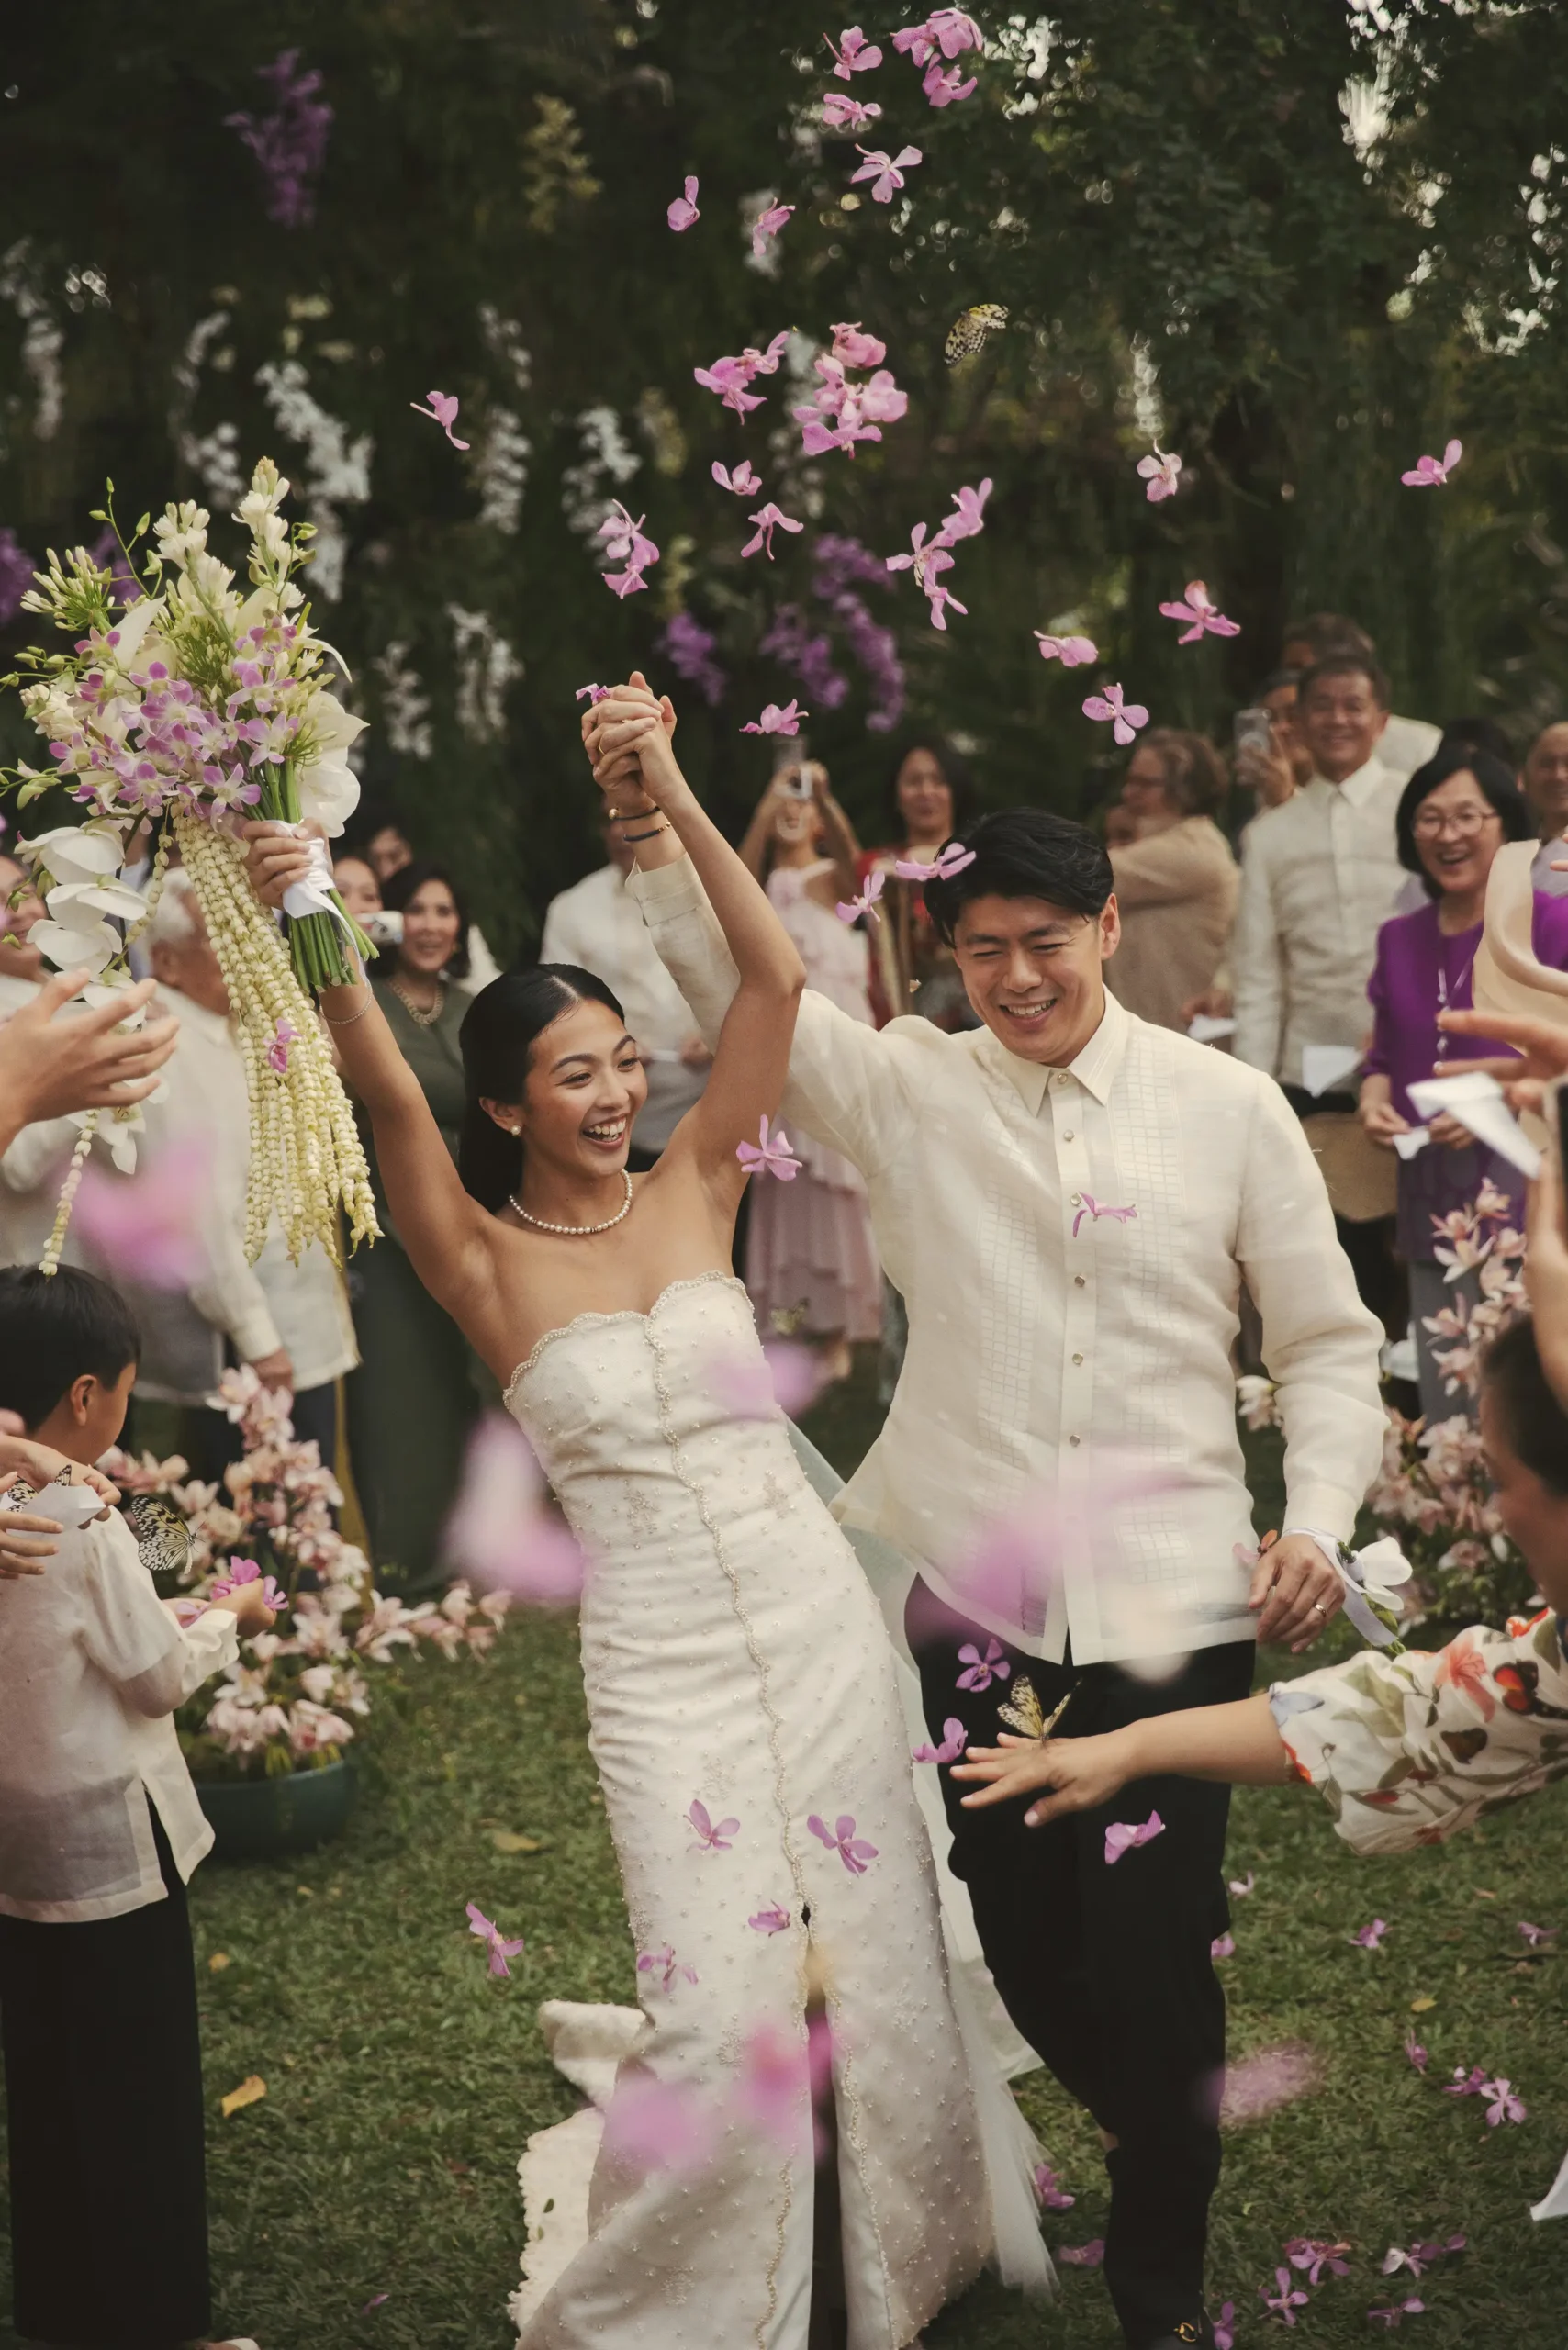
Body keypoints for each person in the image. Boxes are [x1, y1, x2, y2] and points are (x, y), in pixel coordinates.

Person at [611, 674, 1384, 2350]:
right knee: (1031, 1946)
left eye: (1048, 940)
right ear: (944, 962)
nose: (1019, 978)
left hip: (1177, 1609)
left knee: (1156, 1951)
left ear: (1108, 930)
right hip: (974, 1608)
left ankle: (1160, 2275)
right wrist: (663, 808)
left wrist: (1312, 1518)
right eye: (983, 951)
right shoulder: (905, 1089)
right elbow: (741, 981)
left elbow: (1327, 1343)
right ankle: (1150, 2130)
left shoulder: (1228, 1112)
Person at [243, 714, 1016, 2350]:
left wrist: (660, 795)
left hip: (813, 1621)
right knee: (712, 1993)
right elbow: (376, 1072)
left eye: (616, 1062)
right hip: (657, 1657)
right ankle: (670, 2296)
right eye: (571, 1074)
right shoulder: (475, 1259)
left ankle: (900, 2246)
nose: (610, 1093)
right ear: (509, 1104)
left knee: (871, 1942)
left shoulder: (698, 1189)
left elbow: (770, 984)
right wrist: (312, 902)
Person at [953, 1308, 1568, 1865]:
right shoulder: (1551, 1661)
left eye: (1498, 1478)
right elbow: (1402, 1710)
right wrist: (1126, 1750)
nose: (1495, 1511)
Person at [0, 1262, 273, 2350]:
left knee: (50, 2096)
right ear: (84, 1397)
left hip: (18, 1853)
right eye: (121, 1386)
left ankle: (63, 2314)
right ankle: (164, 2330)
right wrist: (228, 1612)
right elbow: (153, 1676)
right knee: (139, 2104)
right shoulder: (81, 1515)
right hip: (114, 1849)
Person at [1357, 748, 1568, 1420]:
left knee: (1530, 1396)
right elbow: (1383, 1052)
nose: (1447, 835)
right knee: (1447, 1387)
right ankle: (1453, 1522)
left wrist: (1494, 1104)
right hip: (1430, 1189)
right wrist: (1372, 1100)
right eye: (1429, 818)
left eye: (1466, 816)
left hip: (1530, 1187)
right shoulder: (1398, 937)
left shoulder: (1553, 924)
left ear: (1505, 826)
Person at [1231, 652, 1411, 1333]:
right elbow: (1258, 972)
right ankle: (1360, 1408)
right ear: (1297, 723)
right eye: (1322, 706)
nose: (1338, 718)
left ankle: (1430, 1411)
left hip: (1417, 1060)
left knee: (1424, 1242)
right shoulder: (1269, 835)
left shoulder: (1418, 810)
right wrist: (1251, 1088)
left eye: (1353, 704)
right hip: (1310, 1070)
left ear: (1381, 719)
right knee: (1337, 1252)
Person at [341, 858, 480, 1590]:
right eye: (417, 910)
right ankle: (403, 1554)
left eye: (445, 911)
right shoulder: (364, 1005)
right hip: (389, 1224)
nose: (432, 925)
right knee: (404, 1384)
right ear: (391, 921)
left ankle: (472, 1542)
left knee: (470, 1381)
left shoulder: (472, 1007)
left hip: (475, 1220)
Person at [736, 764, 880, 1377]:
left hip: (833, 1040)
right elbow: (731, 885)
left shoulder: (829, 880)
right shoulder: (760, 882)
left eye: (805, 804)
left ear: (820, 817)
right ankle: (789, 1320)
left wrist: (825, 792)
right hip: (783, 1041)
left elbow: (857, 866)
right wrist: (766, 805)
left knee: (839, 1172)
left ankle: (843, 1330)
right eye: (785, 801)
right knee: (785, 1172)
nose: (793, 809)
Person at [540, 813, 713, 1170]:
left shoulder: (711, 890)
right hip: (613, 1120)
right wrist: (610, 1045)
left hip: (709, 1104)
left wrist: (720, 1032)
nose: (621, 830)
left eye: (632, 815)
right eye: (610, 820)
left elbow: (750, 979)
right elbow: (555, 1005)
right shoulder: (572, 908)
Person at [1104, 731, 1238, 1032]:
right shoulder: (1156, 844)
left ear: (1185, 791)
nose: (1129, 794)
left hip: (1189, 1034)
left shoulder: (1194, 848)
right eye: (1130, 782)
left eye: (1144, 784)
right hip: (1153, 1031)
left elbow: (1083, 876)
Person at [855, 735, 978, 1028]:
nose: (926, 792)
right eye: (913, 781)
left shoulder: (982, 860)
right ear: (896, 796)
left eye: (938, 781)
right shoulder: (877, 866)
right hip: (905, 1023)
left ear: (956, 791)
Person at [1278, 612, 1439, 782]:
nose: (1285, 681)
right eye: (1286, 672)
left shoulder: (1423, 748)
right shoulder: (1283, 746)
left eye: (1298, 671)